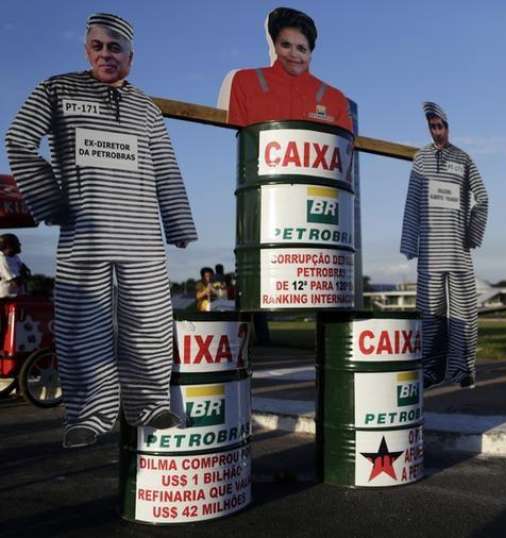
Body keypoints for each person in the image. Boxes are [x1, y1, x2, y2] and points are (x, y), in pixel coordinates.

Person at [4, 13, 198, 448]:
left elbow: (166, 167)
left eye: (116, 48)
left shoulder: (146, 106)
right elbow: (18, 138)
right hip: (84, 234)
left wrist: (179, 223)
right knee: (80, 326)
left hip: (142, 236)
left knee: (149, 324)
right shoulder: (57, 89)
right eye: (98, 46)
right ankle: (88, 414)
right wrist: (50, 201)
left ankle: (150, 405)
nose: (106, 55)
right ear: (86, 50)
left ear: (131, 56)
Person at [400, 102, 488, 389]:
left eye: (440, 126)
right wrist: (409, 242)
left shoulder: (463, 159)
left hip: (459, 253)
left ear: (448, 127)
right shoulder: (421, 159)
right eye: (432, 126)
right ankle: (431, 371)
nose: (436, 131)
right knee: (430, 315)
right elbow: (412, 201)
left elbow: (483, 198)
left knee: (464, 313)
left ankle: (463, 371)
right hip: (430, 254)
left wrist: (471, 235)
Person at [217, 6, 353, 132]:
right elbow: (234, 141)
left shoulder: (335, 99)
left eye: (301, 48)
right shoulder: (245, 81)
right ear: (275, 45)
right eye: (286, 45)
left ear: (310, 52)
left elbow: (345, 152)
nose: (293, 54)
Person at [0, 234, 30, 298]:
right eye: (17, 242)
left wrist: (24, 275)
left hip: (17, 296)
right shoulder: (3, 260)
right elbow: (16, 282)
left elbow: (27, 273)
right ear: (8, 245)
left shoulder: (14, 256)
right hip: (6, 298)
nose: (20, 244)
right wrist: (24, 275)